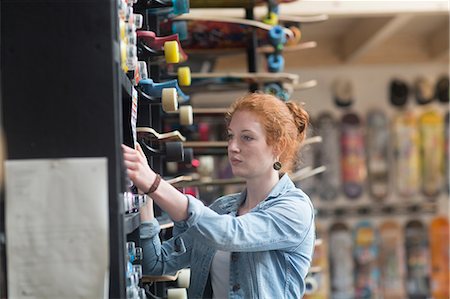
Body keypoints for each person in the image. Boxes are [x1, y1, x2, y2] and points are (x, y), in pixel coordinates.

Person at [122, 92, 316, 298]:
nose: (233, 147)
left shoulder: (295, 209)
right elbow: (157, 263)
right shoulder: (222, 209)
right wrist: (144, 193)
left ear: (278, 146)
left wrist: (154, 184)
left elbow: (230, 234)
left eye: (247, 137)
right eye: (231, 136)